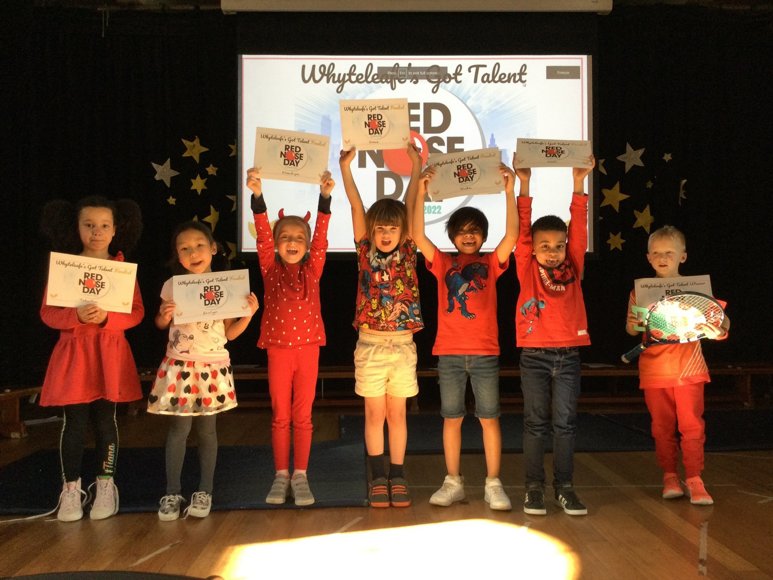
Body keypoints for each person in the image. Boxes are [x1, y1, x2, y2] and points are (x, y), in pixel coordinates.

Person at [410, 148, 518, 511]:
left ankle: (493, 483)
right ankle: (452, 481)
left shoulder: (491, 262)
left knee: (489, 419)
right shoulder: (443, 262)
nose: (468, 236)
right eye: (461, 231)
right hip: (450, 354)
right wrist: (421, 192)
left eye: (475, 231)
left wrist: (510, 191)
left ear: (483, 235)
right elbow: (416, 235)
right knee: (451, 419)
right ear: (453, 236)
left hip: (485, 353)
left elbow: (512, 237)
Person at [39, 195, 144, 522]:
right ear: (77, 228)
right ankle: (71, 490)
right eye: (89, 225)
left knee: (105, 421)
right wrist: (76, 316)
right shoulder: (65, 268)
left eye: (104, 225)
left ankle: (105, 485)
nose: (96, 232)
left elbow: (136, 313)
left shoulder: (123, 270)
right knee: (74, 422)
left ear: (115, 230)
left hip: (109, 354)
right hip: (75, 355)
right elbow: (47, 313)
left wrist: (106, 319)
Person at [149, 221, 259, 521]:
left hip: (212, 367)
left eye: (199, 245)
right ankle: (172, 492)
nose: (193, 253)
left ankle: (204, 490)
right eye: (184, 248)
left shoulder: (227, 286)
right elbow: (160, 324)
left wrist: (248, 315)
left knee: (208, 431)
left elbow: (230, 334)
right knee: (179, 430)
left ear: (213, 248)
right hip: (180, 366)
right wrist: (163, 316)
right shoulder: (173, 286)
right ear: (177, 254)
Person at [339, 146, 424, 508]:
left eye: (392, 228)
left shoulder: (408, 249)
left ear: (402, 231)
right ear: (371, 231)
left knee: (397, 413)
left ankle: (398, 475)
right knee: (375, 414)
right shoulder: (364, 250)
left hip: (402, 344)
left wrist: (417, 165)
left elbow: (411, 201)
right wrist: (345, 168)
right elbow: (356, 205)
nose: (386, 233)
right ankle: (377, 477)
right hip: (371, 344)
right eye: (380, 228)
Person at [246, 167, 335, 507]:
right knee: (280, 415)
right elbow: (262, 237)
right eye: (285, 237)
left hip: (308, 350)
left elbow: (322, 236)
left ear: (308, 245)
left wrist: (324, 199)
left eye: (299, 237)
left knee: (303, 416)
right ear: (275, 243)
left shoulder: (313, 269)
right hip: (279, 351)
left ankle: (301, 475)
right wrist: (258, 195)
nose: (292, 242)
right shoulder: (270, 269)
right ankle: (281, 474)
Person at [513, 156, 595, 516]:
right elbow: (522, 228)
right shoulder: (526, 266)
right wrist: (524, 185)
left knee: (565, 424)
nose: (552, 251)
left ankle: (565, 487)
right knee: (535, 424)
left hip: (569, 356)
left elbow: (579, 225)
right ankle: (534, 488)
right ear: (532, 248)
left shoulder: (573, 263)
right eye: (544, 245)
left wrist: (578, 184)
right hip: (534, 356)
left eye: (558, 245)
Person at [625, 225, 729, 505]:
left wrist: (717, 332)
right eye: (657, 253)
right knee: (661, 427)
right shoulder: (639, 292)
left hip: (689, 371)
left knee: (692, 426)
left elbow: (722, 323)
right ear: (648, 257)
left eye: (669, 252)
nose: (663, 258)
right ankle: (670, 476)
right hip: (654, 372)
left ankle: (694, 478)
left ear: (683, 256)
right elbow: (632, 329)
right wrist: (634, 324)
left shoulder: (697, 290)